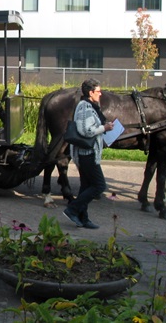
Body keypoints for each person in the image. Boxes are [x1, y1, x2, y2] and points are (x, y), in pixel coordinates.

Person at [63, 78, 114, 230]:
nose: (101, 94)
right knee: (99, 185)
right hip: (87, 154)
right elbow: (85, 130)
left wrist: (106, 127)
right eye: (98, 91)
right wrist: (104, 128)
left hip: (88, 153)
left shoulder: (91, 106)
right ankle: (72, 209)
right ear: (91, 93)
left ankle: (83, 218)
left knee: (85, 187)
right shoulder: (85, 107)